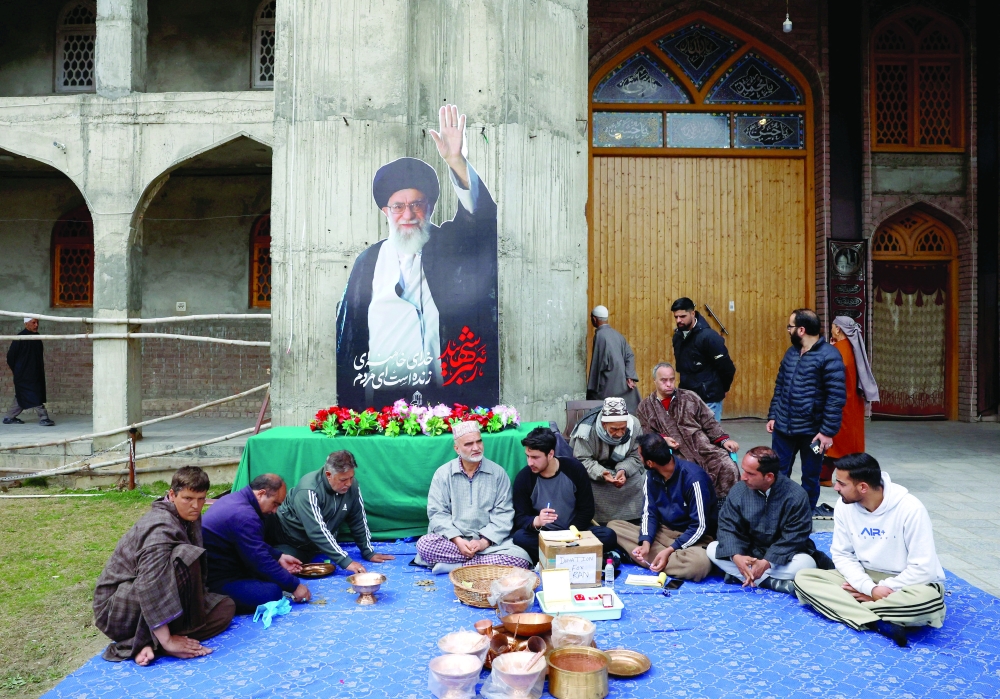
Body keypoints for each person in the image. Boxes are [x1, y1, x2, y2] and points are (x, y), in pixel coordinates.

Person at [336, 104, 498, 408]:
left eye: (417, 204)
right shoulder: (368, 262)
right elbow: (350, 339)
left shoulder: (450, 245)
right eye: (398, 206)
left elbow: (481, 220)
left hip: (447, 394)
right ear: (386, 211)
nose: (408, 214)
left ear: (431, 207)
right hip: (385, 398)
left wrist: (456, 160)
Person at [794, 453, 946, 648]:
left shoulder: (911, 509)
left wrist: (879, 590)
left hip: (909, 583)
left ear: (863, 487)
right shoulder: (843, 505)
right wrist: (870, 589)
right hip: (864, 577)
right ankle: (879, 622)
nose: (835, 487)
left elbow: (924, 569)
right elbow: (842, 554)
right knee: (805, 579)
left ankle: (854, 610)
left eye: (841, 483)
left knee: (928, 601)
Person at [92, 466, 235, 666]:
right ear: (172, 495)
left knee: (225, 608)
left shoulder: (189, 514)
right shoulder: (159, 527)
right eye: (188, 498)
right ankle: (163, 641)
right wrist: (167, 640)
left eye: (201, 499)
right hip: (118, 605)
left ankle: (149, 642)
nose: (196, 505)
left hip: (158, 592)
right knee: (186, 556)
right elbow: (149, 584)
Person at [416, 421, 532, 573]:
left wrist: (484, 542)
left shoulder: (497, 473)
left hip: (489, 544)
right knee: (425, 545)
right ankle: (481, 565)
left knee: (520, 559)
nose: (476, 448)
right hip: (452, 542)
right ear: (457, 449)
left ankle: (457, 566)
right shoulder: (443, 474)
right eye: (469, 444)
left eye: (479, 441)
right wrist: (457, 540)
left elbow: (504, 514)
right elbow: (437, 513)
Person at [706, 447, 820, 594]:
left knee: (806, 564)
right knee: (712, 548)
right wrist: (736, 557)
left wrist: (767, 562)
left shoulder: (796, 496)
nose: (743, 477)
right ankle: (770, 582)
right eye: (744, 470)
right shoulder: (739, 490)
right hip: (748, 552)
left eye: (750, 473)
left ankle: (743, 576)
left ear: (769, 477)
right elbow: (727, 526)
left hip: (780, 558)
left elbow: (795, 536)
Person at [767, 308, 846, 517]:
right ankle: (778, 514)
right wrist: (773, 415)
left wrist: (827, 432)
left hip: (814, 433)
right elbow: (780, 385)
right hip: (783, 427)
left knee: (811, 476)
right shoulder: (791, 353)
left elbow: (836, 398)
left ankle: (804, 516)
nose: (788, 330)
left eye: (790, 326)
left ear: (801, 330)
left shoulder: (830, 356)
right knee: (778, 473)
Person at [607, 433, 717, 581]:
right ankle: (658, 557)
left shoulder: (694, 479)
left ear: (650, 462)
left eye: (640, 456)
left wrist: (670, 550)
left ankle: (654, 558)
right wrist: (646, 542)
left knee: (697, 566)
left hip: (692, 539)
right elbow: (648, 512)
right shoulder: (651, 476)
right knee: (613, 527)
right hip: (662, 533)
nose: (639, 458)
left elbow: (700, 527)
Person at [265, 451, 396, 573]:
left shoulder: (352, 486)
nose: (349, 483)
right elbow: (316, 530)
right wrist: (346, 562)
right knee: (283, 568)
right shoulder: (308, 490)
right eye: (343, 480)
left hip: (317, 546)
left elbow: (358, 520)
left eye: (351, 477)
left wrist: (368, 552)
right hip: (291, 541)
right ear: (328, 475)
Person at [202, 473, 312, 614]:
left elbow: (251, 542)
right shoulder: (245, 515)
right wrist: (295, 586)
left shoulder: (236, 499)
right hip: (215, 581)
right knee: (272, 593)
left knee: (276, 577)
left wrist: (278, 557)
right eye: (275, 504)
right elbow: (260, 560)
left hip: (229, 566)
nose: (275, 511)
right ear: (261, 494)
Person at [510, 426, 618, 564]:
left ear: (550, 454)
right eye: (528, 456)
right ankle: (576, 557)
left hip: (574, 532)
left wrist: (569, 534)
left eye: (535, 457)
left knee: (608, 536)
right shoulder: (524, 478)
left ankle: (556, 557)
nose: (530, 462)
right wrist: (536, 521)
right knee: (519, 538)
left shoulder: (574, 469)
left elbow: (587, 510)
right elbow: (520, 518)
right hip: (543, 535)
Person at [636, 362, 739, 499]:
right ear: (655, 381)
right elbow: (645, 434)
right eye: (664, 380)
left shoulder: (690, 397)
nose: (669, 384)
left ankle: (725, 507)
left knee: (727, 466)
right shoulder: (645, 407)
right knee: (688, 476)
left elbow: (709, 421)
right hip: (676, 456)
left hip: (704, 449)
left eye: (672, 379)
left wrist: (724, 440)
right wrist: (662, 440)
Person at [820, 316, 879, 486]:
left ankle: (829, 476)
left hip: (838, 404)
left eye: (832, 326)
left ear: (838, 329)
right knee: (846, 442)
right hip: (853, 403)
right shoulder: (851, 348)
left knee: (833, 442)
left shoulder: (838, 350)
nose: (831, 329)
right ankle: (825, 477)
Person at [569, 397, 645, 524]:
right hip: (596, 472)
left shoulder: (634, 425)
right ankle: (598, 521)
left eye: (623, 428)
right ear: (604, 424)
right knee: (590, 486)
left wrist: (623, 470)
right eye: (614, 429)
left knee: (637, 480)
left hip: (624, 470)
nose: (620, 434)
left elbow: (636, 455)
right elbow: (582, 459)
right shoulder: (587, 430)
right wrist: (602, 473)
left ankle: (634, 520)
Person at [671, 298, 735, 422]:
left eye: (682, 316)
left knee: (710, 438)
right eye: (676, 317)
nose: (679, 320)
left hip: (709, 398)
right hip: (687, 398)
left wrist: (724, 389)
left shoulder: (709, 337)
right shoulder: (678, 337)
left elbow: (727, 368)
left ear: (693, 313)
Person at [586, 305, 641, 413]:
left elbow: (597, 365)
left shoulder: (600, 335)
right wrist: (630, 376)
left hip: (608, 388)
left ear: (594, 319)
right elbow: (630, 355)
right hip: (626, 388)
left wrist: (592, 390)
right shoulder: (618, 335)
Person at [4, 317, 55, 426]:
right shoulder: (20, 338)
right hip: (23, 374)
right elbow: (10, 357)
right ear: (26, 324)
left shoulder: (37, 337)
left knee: (22, 396)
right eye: (33, 323)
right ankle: (44, 417)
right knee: (34, 394)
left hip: (35, 373)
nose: (36, 325)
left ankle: (9, 417)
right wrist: (18, 370)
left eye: (37, 322)